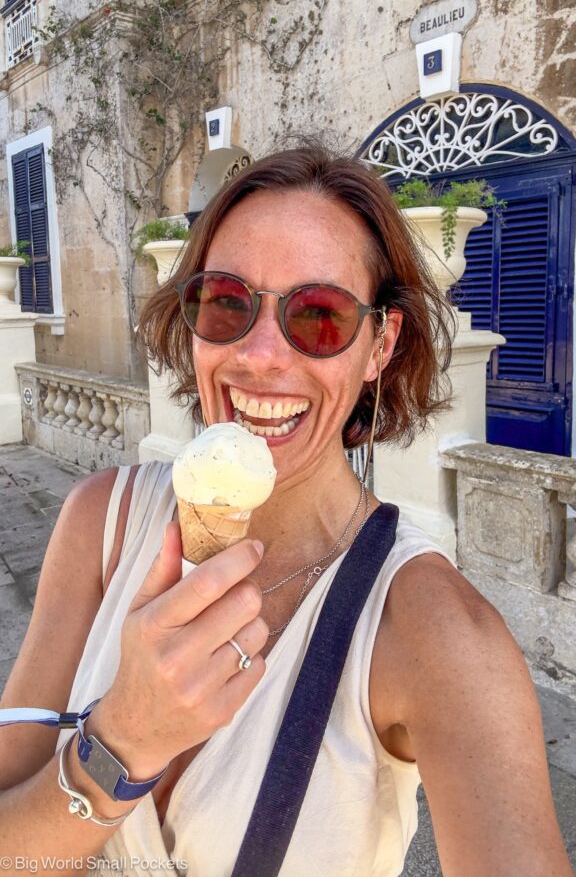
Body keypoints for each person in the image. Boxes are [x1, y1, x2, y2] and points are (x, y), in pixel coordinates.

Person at [0, 145, 572, 877]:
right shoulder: (99, 525)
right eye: (228, 302)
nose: (262, 356)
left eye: (321, 315)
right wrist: (119, 746)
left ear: (380, 346)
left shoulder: (438, 636)